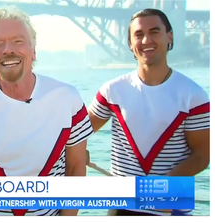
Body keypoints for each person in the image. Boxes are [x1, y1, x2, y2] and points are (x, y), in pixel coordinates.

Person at [0, 5, 93, 216]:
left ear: (34, 51)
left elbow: (75, 168)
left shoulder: (68, 99)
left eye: (18, 41)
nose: (7, 50)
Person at [87, 8, 210, 216]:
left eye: (154, 32)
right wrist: (76, 150)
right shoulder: (111, 91)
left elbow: (202, 155)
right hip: (121, 207)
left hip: (172, 208)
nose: (146, 40)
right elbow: (78, 132)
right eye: (138, 34)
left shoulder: (194, 95)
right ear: (129, 43)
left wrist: (163, 185)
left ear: (169, 36)